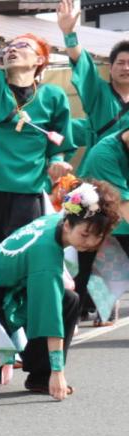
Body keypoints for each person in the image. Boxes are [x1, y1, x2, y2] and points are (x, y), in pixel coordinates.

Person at [0, 180, 120, 399]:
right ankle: (46, 374)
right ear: (68, 225)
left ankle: (41, 376)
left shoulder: (54, 221)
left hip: (7, 292)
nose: (90, 242)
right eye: (85, 234)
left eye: (97, 236)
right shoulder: (46, 253)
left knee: (69, 300)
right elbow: (50, 317)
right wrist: (58, 372)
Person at [0, 0, 74, 252]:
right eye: (8, 47)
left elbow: (59, 142)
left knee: (23, 255)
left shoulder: (53, 96)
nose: (11, 50)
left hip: (30, 190)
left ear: (39, 59)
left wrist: (57, 162)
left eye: (22, 46)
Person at [71, 133, 129, 323]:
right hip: (96, 213)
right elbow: (123, 204)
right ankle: (71, 318)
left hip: (118, 215)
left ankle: (105, 302)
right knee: (85, 267)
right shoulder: (104, 153)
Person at [58, 0, 129, 149]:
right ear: (110, 68)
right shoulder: (97, 92)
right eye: (120, 63)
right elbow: (82, 64)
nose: (126, 68)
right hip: (101, 162)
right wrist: (68, 33)